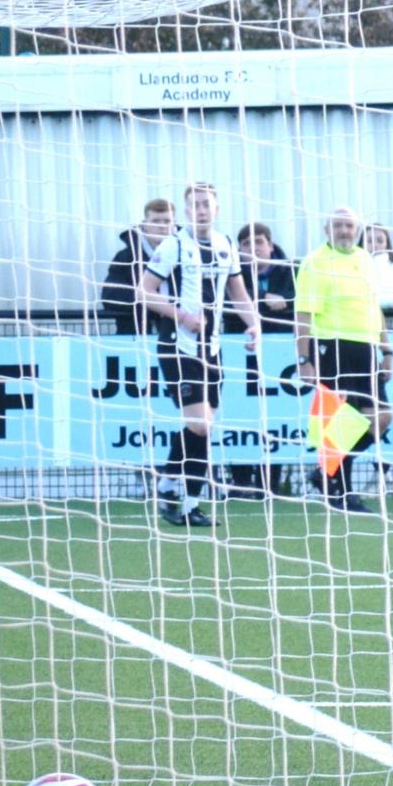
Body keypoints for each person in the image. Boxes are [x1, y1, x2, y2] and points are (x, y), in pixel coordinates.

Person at [139, 182, 259, 528]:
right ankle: (189, 502)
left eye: (207, 204)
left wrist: (254, 326)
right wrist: (182, 315)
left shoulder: (226, 246)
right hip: (178, 346)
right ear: (186, 211)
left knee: (203, 427)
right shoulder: (173, 246)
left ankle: (168, 486)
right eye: (195, 205)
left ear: (217, 209)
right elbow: (144, 292)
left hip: (213, 347)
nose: (201, 210)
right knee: (200, 424)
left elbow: (238, 292)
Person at [295, 206, 393, 512]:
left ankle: (324, 474)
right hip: (331, 347)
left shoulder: (365, 259)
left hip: (365, 349)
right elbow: (303, 314)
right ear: (327, 230)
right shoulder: (315, 263)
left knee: (381, 418)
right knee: (342, 421)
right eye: (338, 226)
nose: (344, 231)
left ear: (357, 230)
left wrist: (386, 349)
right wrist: (304, 358)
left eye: (349, 226)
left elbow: (373, 305)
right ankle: (344, 493)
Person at [100, 199, 174, 336]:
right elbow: (110, 295)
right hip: (134, 340)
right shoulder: (126, 257)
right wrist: (156, 303)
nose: (162, 226)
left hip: (179, 338)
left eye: (167, 221)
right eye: (156, 221)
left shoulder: (188, 256)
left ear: (174, 225)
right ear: (144, 225)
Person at [231, 223, 296, 337]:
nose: (253, 247)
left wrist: (283, 300)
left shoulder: (293, 270)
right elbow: (228, 298)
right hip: (242, 338)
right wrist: (263, 297)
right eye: (247, 244)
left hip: (286, 338)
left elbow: (306, 297)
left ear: (270, 246)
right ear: (240, 250)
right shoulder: (231, 273)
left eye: (259, 242)